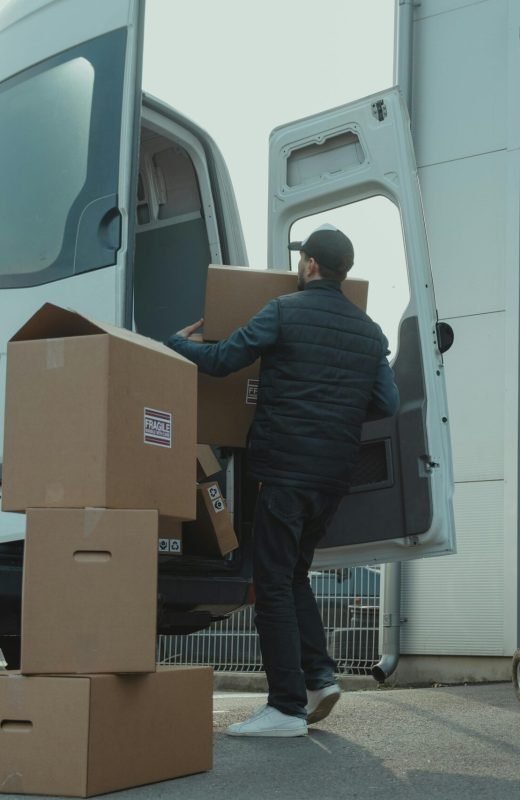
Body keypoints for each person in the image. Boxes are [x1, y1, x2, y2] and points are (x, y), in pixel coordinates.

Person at [166, 224, 399, 738]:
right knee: (294, 576)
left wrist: (175, 345)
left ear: (311, 264)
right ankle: (319, 677)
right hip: (331, 478)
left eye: (302, 260)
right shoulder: (369, 331)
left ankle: (286, 707)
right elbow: (387, 403)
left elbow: (225, 360)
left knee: (270, 583)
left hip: (283, 470)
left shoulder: (283, 311)